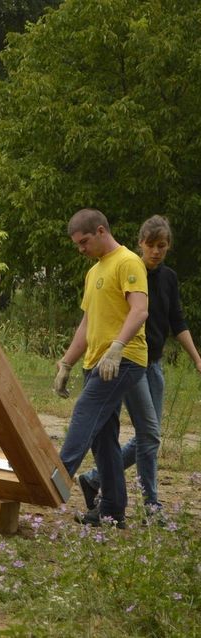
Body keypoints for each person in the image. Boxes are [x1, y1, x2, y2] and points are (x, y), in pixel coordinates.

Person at [76, 215, 201, 513]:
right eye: (151, 245)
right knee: (149, 435)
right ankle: (151, 503)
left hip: (154, 363)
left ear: (168, 246)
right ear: (140, 243)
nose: (156, 251)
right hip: (130, 361)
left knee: (150, 436)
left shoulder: (168, 278)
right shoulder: (130, 268)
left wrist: (196, 357)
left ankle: (95, 478)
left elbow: (177, 321)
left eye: (162, 246)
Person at [52, 208, 151, 529]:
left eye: (83, 242)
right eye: (77, 244)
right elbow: (87, 322)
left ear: (100, 231)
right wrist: (67, 362)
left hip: (123, 360)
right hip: (96, 363)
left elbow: (139, 311)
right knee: (104, 439)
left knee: (85, 412)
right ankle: (111, 511)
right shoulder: (94, 272)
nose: (81, 249)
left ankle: (56, 479)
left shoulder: (128, 262)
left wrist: (117, 348)